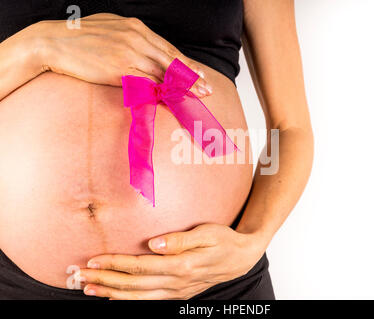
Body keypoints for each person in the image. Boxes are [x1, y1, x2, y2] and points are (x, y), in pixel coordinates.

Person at [0, 0, 313, 299]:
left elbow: (289, 128)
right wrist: (37, 47)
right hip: (14, 281)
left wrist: (253, 240)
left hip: (205, 277)